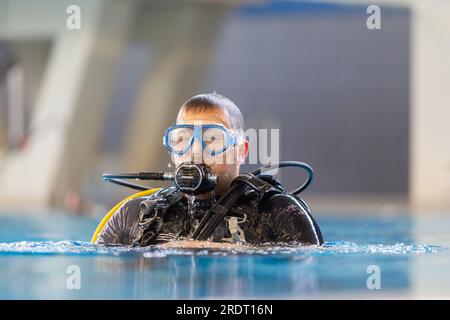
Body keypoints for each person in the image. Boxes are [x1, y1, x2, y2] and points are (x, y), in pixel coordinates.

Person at [96, 93, 323, 246]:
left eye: (212, 138)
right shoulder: (137, 215)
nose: (195, 151)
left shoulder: (277, 212)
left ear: (241, 150)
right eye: (182, 139)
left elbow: (306, 276)